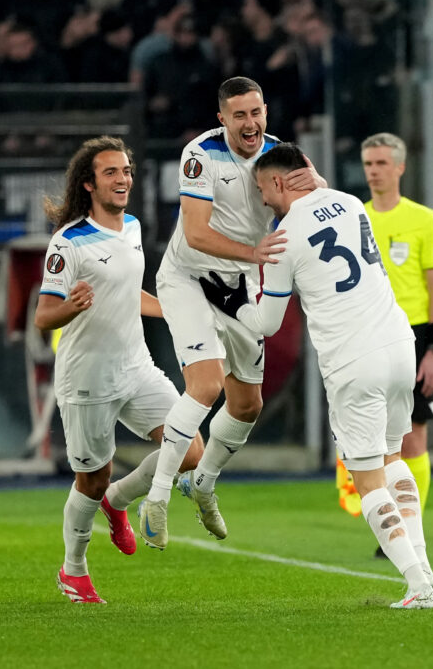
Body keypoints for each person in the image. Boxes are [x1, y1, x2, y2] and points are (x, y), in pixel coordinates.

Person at [201, 142, 433, 609]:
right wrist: (308, 178)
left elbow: (266, 324)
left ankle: (416, 584)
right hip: (399, 347)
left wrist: (229, 302)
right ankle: (423, 564)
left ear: (276, 182)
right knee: (394, 460)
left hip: (355, 361)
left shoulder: (283, 238)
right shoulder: (351, 204)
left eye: (262, 189)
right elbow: (320, 192)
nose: (262, 201)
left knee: (367, 478)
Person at [139, 76, 324, 550]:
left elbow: (315, 206)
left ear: (266, 111)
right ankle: (156, 499)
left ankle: (200, 484)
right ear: (221, 119)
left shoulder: (283, 156)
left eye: (256, 112)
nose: (250, 123)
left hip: (241, 283)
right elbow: (197, 234)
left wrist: (319, 183)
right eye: (239, 115)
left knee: (247, 405)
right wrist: (255, 252)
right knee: (204, 385)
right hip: (189, 279)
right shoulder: (200, 155)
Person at [34, 136, 203, 604]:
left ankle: (118, 502)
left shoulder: (131, 227)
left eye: (126, 170)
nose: (122, 178)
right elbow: (43, 316)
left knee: (189, 449)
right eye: (111, 172)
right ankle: (74, 569)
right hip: (88, 378)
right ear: (89, 184)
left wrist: (170, 309)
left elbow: (129, 295)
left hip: (137, 367)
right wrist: (70, 307)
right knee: (91, 479)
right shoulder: (68, 243)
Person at [336, 132, 433, 533]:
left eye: (382, 163)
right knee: (376, 440)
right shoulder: (354, 218)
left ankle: (407, 528)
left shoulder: (423, 220)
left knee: (413, 438)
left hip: (414, 335)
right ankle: (390, 524)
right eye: (368, 164)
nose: (374, 171)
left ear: (400, 167)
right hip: (367, 335)